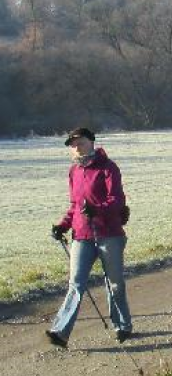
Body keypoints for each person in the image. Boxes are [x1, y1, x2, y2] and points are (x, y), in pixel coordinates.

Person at [47, 128, 132, 348]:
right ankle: (60, 331)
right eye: (73, 145)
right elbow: (75, 206)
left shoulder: (108, 167)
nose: (76, 147)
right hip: (81, 235)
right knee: (76, 283)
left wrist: (97, 209)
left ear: (92, 142)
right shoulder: (74, 171)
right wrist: (63, 225)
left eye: (80, 143)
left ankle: (122, 325)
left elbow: (117, 200)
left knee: (114, 284)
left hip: (109, 234)